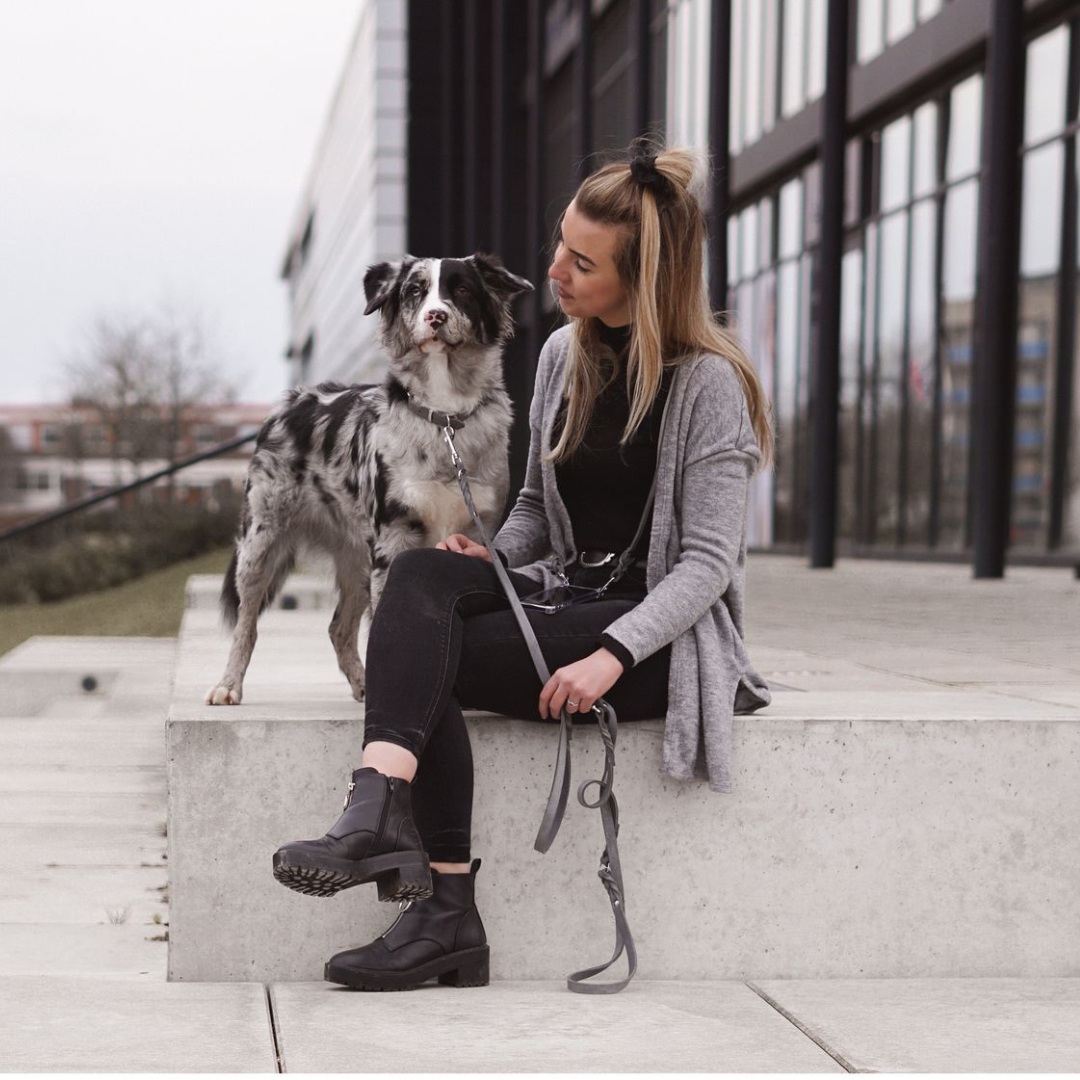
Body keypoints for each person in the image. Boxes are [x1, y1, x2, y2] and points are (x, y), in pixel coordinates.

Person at [272, 139, 774, 992]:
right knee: (423, 576)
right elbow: (538, 512)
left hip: (656, 640)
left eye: (582, 262)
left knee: (439, 655)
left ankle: (443, 908)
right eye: (560, 246)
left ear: (643, 279)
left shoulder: (709, 386)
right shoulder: (561, 358)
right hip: (564, 598)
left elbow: (704, 568)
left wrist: (610, 654)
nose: (556, 272)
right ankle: (377, 807)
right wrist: (491, 556)